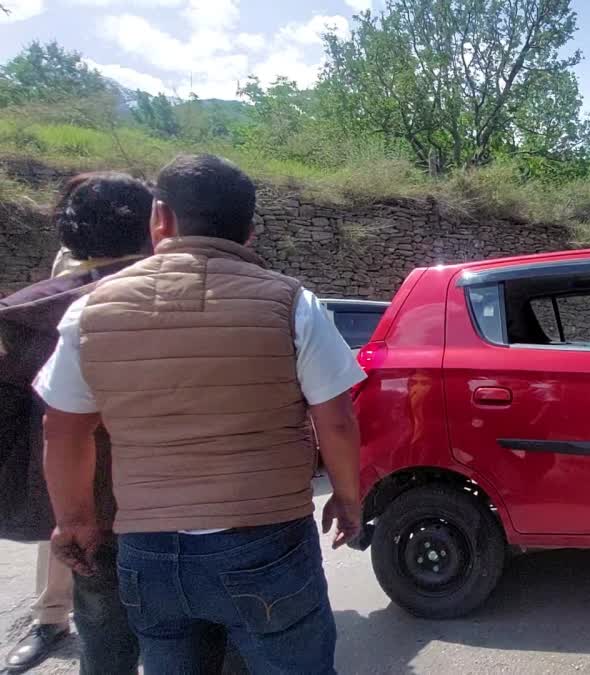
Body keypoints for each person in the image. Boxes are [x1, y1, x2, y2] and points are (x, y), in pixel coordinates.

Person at [34, 155, 364, 673]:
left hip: (149, 552)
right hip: (267, 542)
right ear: (250, 231)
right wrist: (348, 498)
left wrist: (74, 522)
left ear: (159, 219)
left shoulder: (92, 311)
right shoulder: (293, 304)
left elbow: (63, 427)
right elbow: (337, 420)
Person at [0, 173, 152, 674]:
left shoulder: (24, 318)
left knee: (106, 640)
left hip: (88, 514)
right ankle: (49, 618)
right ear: (158, 225)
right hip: (182, 507)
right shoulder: (202, 300)